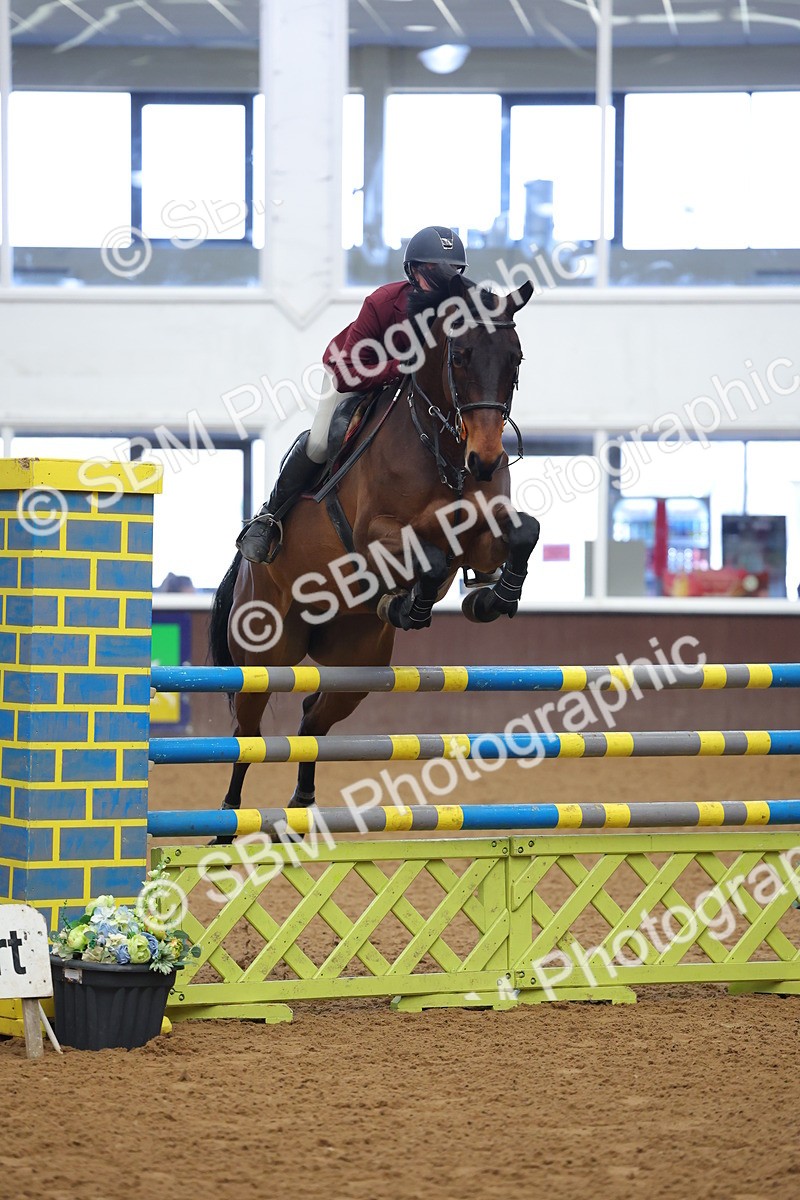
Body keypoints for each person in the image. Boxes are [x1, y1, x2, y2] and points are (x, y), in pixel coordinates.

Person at [236, 225, 467, 564]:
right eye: (434, 272)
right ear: (413, 272)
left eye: (453, 273)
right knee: (319, 443)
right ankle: (269, 518)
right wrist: (401, 367)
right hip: (354, 373)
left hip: (414, 392)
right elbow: (347, 373)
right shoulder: (383, 303)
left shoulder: (463, 313)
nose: (445, 282)